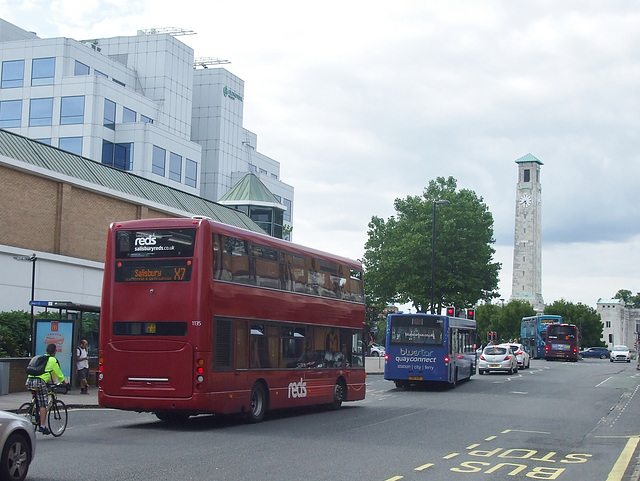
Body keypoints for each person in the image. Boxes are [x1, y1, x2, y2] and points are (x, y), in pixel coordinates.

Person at [25, 343, 66, 435]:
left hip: (29, 380)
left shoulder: (40, 358)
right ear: (54, 351)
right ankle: (43, 426)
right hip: (39, 382)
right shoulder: (52, 360)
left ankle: (32, 406)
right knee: (43, 404)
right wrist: (64, 383)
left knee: (36, 394)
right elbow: (59, 374)